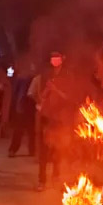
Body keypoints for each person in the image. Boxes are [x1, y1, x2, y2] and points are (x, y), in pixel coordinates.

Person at [28, 52, 72, 191]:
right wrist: (40, 100)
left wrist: (56, 90)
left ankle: (56, 176)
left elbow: (69, 97)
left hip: (59, 118)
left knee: (58, 149)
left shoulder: (66, 78)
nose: (55, 60)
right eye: (53, 57)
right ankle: (42, 181)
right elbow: (33, 94)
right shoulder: (41, 78)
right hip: (45, 118)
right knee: (44, 151)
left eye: (57, 57)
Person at [8, 61, 37, 157]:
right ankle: (13, 149)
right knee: (18, 130)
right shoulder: (21, 79)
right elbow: (15, 93)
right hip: (21, 107)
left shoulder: (35, 79)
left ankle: (32, 150)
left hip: (31, 107)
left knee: (31, 131)